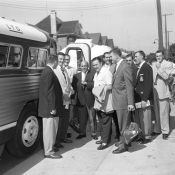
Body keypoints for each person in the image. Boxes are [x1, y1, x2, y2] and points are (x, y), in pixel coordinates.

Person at [38, 54, 63, 159]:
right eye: (58, 61)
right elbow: (49, 91)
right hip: (49, 108)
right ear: (55, 61)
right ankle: (48, 151)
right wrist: (52, 107)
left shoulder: (48, 71)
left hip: (50, 106)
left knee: (52, 129)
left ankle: (50, 147)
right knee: (49, 130)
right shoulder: (48, 72)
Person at [110, 48, 135, 154]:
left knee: (124, 124)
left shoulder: (125, 67)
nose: (110, 58)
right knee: (121, 124)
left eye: (111, 56)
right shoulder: (117, 66)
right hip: (118, 100)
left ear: (116, 56)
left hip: (123, 101)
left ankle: (123, 145)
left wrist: (130, 103)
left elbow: (129, 86)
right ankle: (123, 141)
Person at [72, 60, 97, 140]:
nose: (84, 67)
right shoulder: (76, 76)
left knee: (92, 118)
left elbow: (94, 84)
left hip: (90, 99)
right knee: (82, 119)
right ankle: (82, 133)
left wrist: (86, 84)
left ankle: (94, 133)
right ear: (80, 66)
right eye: (82, 66)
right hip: (80, 100)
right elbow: (74, 88)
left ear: (88, 66)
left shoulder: (92, 74)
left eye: (85, 66)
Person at [92, 57, 113, 150]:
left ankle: (105, 142)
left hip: (105, 100)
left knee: (106, 121)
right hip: (98, 100)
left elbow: (109, 86)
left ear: (101, 63)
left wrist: (100, 91)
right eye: (93, 65)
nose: (95, 66)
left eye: (96, 64)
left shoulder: (106, 72)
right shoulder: (96, 73)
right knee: (101, 120)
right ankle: (105, 139)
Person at [152, 50, 173, 139]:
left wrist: (159, 68)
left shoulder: (168, 64)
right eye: (157, 56)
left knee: (164, 113)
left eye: (160, 56)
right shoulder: (153, 64)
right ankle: (157, 130)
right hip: (155, 92)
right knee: (156, 113)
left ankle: (165, 131)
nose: (158, 58)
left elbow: (166, 77)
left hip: (163, 92)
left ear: (163, 56)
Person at [54, 52, 74, 147]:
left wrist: (71, 90)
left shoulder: (65, 70)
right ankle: (57, 141)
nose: (61, 61)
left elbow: (68, 83)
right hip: (60, 100)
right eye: (60, 59)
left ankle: (62, 137)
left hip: (67, 99)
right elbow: (56, 86)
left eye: (63, 59)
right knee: (59, 121)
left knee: (65, 120)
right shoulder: (55, 70)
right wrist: (63, 95)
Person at [134, 51, 153, 144]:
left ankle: (147, 136)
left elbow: (148, 84)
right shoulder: (139, 68)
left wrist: (145, 99)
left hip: (144, 98)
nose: (135, 58)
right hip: (139, 97)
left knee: (146, 118)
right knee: (141, 118)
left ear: (141, 57)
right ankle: (142, 135)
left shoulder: (147, 67)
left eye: (136, 56)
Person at [103, 51, 120, 139]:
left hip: (114, 94)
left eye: (109, 57)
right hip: (106, 95)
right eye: (106, 57)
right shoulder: (102, 68)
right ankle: (107, 134)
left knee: (116, 116)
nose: (108, 59)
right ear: (104, 59)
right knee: (107, 117)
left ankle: (118, 132)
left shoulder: (115, 66)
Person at [64, 54, 77, 138]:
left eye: (68, 59)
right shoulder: (59, 69)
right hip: (63, 95)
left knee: (70, 114)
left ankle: (68, 130)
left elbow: (75, 83)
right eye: (65, 59)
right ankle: (63, 130)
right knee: (64, 114)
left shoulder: (73, 70)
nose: (66, 60)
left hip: (71, 95)